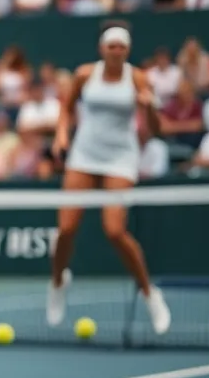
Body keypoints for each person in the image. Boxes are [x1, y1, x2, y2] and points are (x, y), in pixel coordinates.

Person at [48, 23, 170, 334]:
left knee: (115, 231)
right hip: (84, 154)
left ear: (127, 50)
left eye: (121, 47)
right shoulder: (84, 74)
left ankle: (149, 293)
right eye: (111, 46)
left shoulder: (138, 78)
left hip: (120, 158)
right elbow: (66, 107)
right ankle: (58, 282)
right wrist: (61, 134)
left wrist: (148, 107)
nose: (116, 51)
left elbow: (156, 129)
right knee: (66, 229)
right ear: (102, 49)